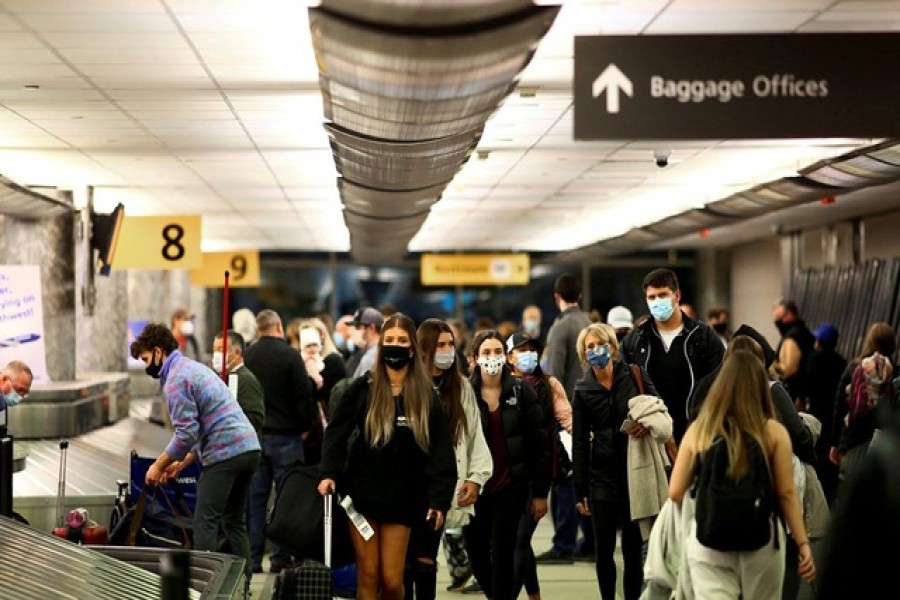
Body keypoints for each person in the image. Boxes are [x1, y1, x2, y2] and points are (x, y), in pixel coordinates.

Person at [318, 313, 457, 600]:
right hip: (361, 498)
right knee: (368, 575)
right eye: (389, 340)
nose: (395, 346)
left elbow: (441, 451)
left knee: (393, 580)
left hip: (404, 499)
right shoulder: (362, 389)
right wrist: (328, 473)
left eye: (402, 340)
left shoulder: (425, 396)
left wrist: (439, 499)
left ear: (412, 348)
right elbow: (336, 433)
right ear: (382, 345)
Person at [668, 350, 816, 598]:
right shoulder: (774, 432)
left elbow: (675, 492)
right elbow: (786, 493)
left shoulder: (700, 429)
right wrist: (802, 544)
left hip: (708, 540)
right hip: (761, 541)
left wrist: (710, 504)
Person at [130, 323, 261, 581]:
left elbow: (186, 434)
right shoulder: (195, 368)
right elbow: (205, 425)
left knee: (205, 524)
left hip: (225, 454)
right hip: (248, 448)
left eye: (146, 359)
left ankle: (206, 587)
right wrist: (181, 463)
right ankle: (244, 586)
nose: (146, 366)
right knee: (234, 522)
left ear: (159, 352)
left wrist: (158, 465)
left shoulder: (177, 379)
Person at [572, 323, 661, 600]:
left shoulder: (633, 374)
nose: (596, 350)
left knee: (633, 550)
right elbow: (578, 441)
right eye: (590, 347)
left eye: (601, 344)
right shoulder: (583, 389)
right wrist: (580, 488)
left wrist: (647, 425)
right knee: (604, 549)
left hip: (634, 473)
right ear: (584, 355)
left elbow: (658, 406)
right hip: (600, 477)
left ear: (612, 346)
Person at [407, 318, 493, 600]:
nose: (446, 350)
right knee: (404, 561)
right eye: (440, 344)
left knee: (426, 558)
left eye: (449, 344)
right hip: (408, 484)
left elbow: (474, 435)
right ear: (424, 349)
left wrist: (475, 477)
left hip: (440, 487)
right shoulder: (409, 385)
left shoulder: (461, 387)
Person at [464, 330, 550, 600]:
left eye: (497, 352)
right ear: (475, 358)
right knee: (476, 552)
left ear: (506, 356)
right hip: (474, 488)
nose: (492, 358)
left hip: (511, 485)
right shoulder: (465, 393)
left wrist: (539, 493)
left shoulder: (520, 390)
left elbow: (539, 446)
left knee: (504, 551)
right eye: (486, 353)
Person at [243, 309, 315, 574]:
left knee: (255, 500)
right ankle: (279, 558)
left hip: (255, 437)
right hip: (287, 437)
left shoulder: (247, 356)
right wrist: (305, 427)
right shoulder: (290, 356)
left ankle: (252, 558)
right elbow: (303, 395)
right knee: (286, 500)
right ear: (278, 326)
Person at [620, 268, 724, 443]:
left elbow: (722, 383)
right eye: (651, 297)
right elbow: (622, 384)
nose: (657, 301)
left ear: (677, 296)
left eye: (663, 295)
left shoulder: (702, 337)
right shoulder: (636, 340)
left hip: (697, 435)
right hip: (651, 437)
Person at [506, 331, 572, 600]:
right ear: (509, 357)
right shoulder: (502, 385)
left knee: (521, 538)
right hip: (510, 473)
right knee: (518, 539)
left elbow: (568, 419)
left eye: (532, 349)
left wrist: (587, 440)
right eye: (521, 349)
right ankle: (534, 595)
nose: (528, 354)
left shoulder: (549, 384)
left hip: (541, 470)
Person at [538, 272, 592, 564]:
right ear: (580, 297)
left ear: (557, 297)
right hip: (589, 411)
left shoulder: (560, 327)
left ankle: (563, 544)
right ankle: (589, 541)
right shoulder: (590, 324)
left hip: (567, 414)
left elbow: (554, 377)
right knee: (585, 479)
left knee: (564, 480)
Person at [829, 321, 897, 493]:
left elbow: (839, 408)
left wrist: (835, 443)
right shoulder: (894, 373)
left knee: (849, 493)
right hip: (884, 443)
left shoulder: (855, 369)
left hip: (854, 439)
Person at [804, 323, 846, 503]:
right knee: (829, 462)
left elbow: (808, 385)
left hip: (816, 412)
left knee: (817, 457)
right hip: (832, 415)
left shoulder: (814, 359)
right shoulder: (841, 361)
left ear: (819, 342)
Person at [299, 320, 348, 465]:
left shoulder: (333, 362)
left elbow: (317, 392)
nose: (311, 348)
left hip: (327, 427)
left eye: (313, 343)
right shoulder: (303, 363)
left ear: (321, 337)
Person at [212, 330, 265, 436]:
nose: (216, 354)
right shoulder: (218, 378)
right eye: (214, 350)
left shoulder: (246, 379)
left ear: (237, 353)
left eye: (221, 349)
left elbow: (256, 418)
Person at [771, 300, 815, 409]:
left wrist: (772, 366)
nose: (776, 322)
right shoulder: (804, 332)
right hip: (805, 391)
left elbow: (789, 369)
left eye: (778, 318)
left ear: (789, 315)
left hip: (794, 394)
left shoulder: (792, 337)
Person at [351, 306, 384, 378]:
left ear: (372, 328)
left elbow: (363, 388)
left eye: (358, 327)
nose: (355, 331)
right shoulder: (374, 351)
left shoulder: (372, 356)